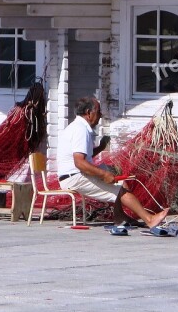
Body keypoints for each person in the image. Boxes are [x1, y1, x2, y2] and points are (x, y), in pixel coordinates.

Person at [57, 96, 168, 229]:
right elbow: (79, 163)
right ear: (88, 113)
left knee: (115, 175)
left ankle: (121, 218)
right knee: (119, 189)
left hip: (73, 175)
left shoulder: (76, 127)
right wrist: (103, 175)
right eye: (98, 112)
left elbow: (83, 158)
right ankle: (150, 219)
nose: (100, 116)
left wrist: (100, 148)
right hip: (74, 177)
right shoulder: (80, 130)